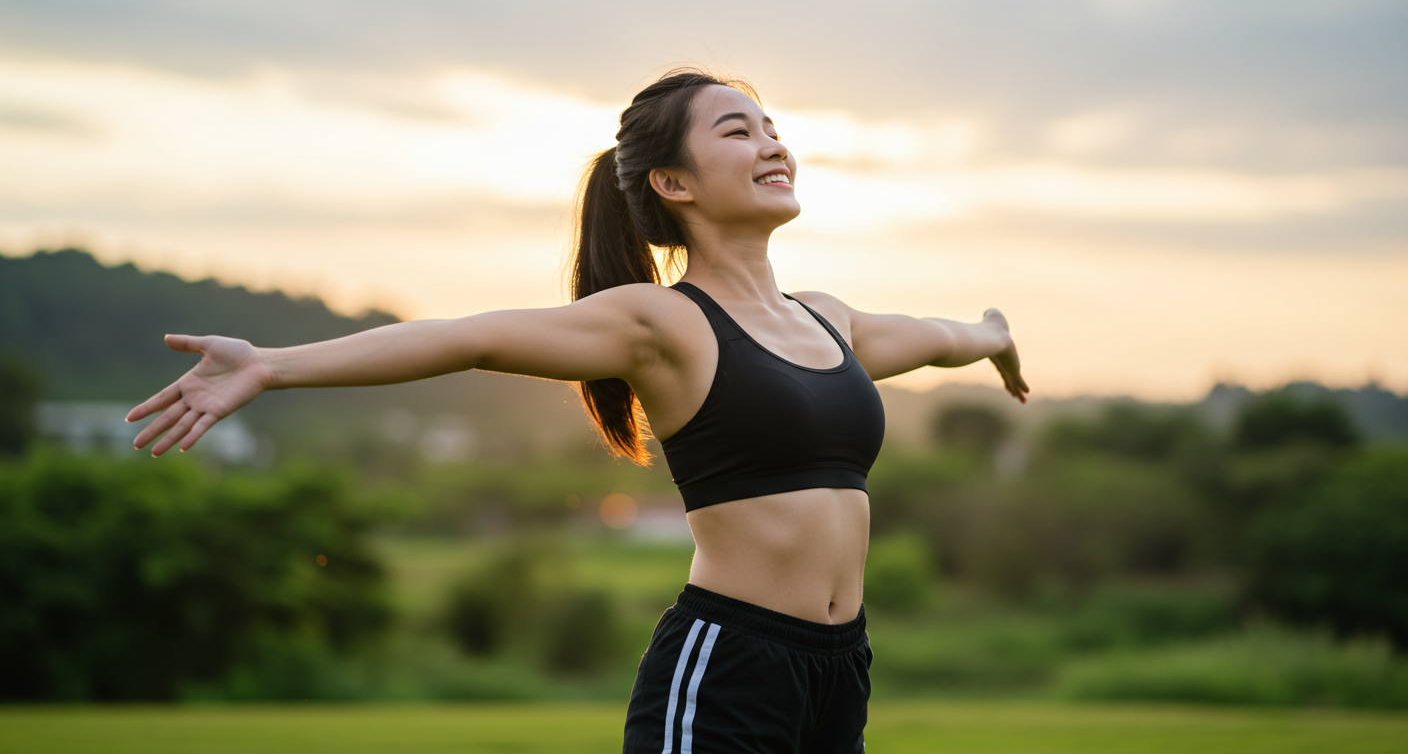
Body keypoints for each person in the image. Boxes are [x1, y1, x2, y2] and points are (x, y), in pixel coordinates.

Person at [127, 69, 1028, 754]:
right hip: (730, 665)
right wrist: (274, 366)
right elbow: (469, 337)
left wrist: (995, 335)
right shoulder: (661, 322)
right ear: (673, 184)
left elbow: (935, 335)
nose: (771, 144)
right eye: (737, 130)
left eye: (774, 129)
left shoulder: (826, 319)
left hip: (840, 666)